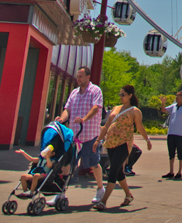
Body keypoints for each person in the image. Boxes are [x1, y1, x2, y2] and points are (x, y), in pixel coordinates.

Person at [92, 85, 152, 210]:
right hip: (111, 143)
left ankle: (103, 201)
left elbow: (140, 127)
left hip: (123, 144)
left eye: (123, 94)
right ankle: (128, 195)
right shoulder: (116, 108)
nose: (121, 97)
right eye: (120, 94)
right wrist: (98, 140)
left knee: (113, 170)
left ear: (130, 95)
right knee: (118, 172)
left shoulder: (135, 111)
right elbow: (107, 125)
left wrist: (147, 140)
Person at [56, 65, 104, 205]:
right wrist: (62, 119)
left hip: (90, 134)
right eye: (77, 76)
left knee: (93, 163)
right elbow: (67, 109)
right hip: (74, 136)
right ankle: (61, 192)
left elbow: (96, 108)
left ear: (88, 78)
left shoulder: (95, 91)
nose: (78, 79)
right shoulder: (74, 93)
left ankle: (100, 189)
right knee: (67, 162)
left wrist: (84, 118)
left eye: (81, 76)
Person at [160, 91, 182, 179]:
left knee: (181, 153)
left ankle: (179, 172)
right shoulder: (173, 106)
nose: (176, 98)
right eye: (176, 96)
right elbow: (164, 110)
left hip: (180, 133)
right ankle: (171, 171)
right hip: (171, 132)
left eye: (178, 97)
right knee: (171, 152)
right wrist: (163, 103)